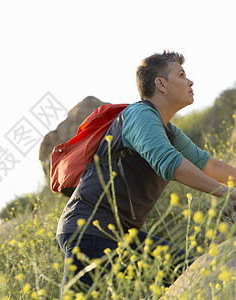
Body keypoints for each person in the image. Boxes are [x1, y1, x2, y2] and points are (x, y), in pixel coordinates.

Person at [56, 51, 236, 295]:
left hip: (120, 233)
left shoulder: (167, 130)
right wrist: (228, 194)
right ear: (160, 84)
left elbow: (210, 166)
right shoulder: (139, 115)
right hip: (89, 229)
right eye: (181, 75)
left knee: (192, 272)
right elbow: (169, 162)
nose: (190, 81)